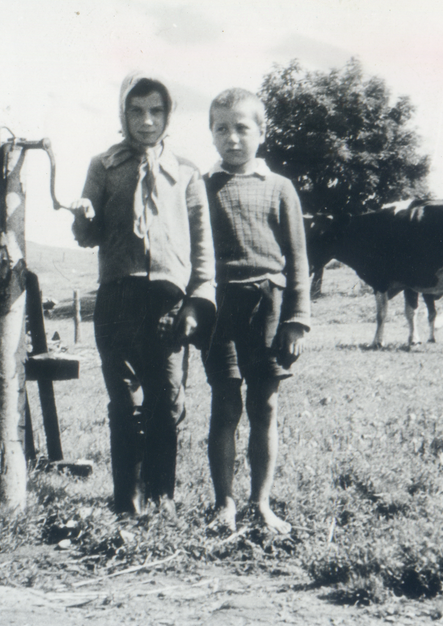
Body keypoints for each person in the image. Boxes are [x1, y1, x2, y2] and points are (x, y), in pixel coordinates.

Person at [71, 72, 216, 516]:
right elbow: (88, 235)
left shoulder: (187, 173)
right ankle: (127, 501)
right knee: (125, 400)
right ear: (123, 114)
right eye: (136, 111)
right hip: (117, 298)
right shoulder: (104, 166)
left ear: (169, 115)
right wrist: (84, 215)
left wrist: (197, 300)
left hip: (167, 302)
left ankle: (162, 497)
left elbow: (202, 244)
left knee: (166, 398)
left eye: (156, 111)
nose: (146, 121)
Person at [202, 88, 310, 533]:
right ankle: (223, 504)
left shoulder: (280, 188)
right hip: (220, 308)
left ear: (261, 132)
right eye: (221, 128)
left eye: (242, 128)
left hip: (269, 305)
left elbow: (299, 257)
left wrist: (297, 319)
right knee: (224, 404)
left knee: (264, 404)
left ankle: (261, 504)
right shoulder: (203, 187)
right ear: (211, 134)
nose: (232, 138)